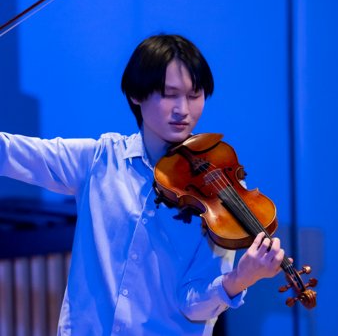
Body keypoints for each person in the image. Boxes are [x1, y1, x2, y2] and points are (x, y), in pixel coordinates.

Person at [0, 34, 284, 335]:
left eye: (194, 95)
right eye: (168, 94)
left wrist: (239, 278)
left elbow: (193, 305)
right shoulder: (100, 160)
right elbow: (10, 153)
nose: (183, 110)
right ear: (137, 94)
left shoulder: (218, 192)